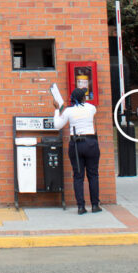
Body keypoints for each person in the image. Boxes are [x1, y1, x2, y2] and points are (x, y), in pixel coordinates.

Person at [53, 87, 101, 215]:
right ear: (84, 98)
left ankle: (81, 207)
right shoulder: (91, 108)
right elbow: (91, 109)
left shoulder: (69, 111)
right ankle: (95, 205)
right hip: (91, 143)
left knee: (78, 176)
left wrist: (57, 109)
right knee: (93, 175)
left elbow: (57, 125)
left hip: (76, 145)